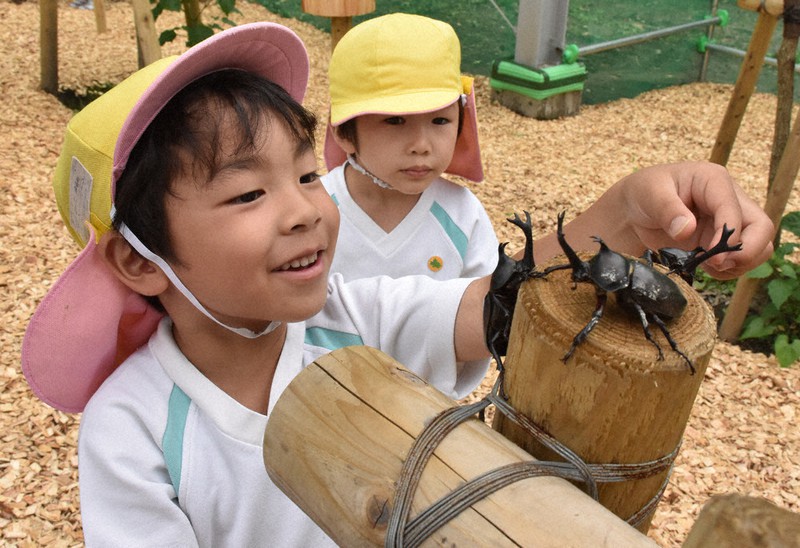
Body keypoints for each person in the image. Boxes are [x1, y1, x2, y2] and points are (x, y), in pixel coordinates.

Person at [20, 21, 773, 547]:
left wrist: (629, 213)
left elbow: (502, 299)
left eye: (307, 175)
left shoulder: (351, 320)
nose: (305, 211)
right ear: (140, 260)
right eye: (248, 193)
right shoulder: (133, 429)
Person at [321, 13, 499, 281]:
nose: (421, 146)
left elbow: (489, 298)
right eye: (395, 120)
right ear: (343, 131)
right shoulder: (314, 211)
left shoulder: (462, 215)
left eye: (440, 120)